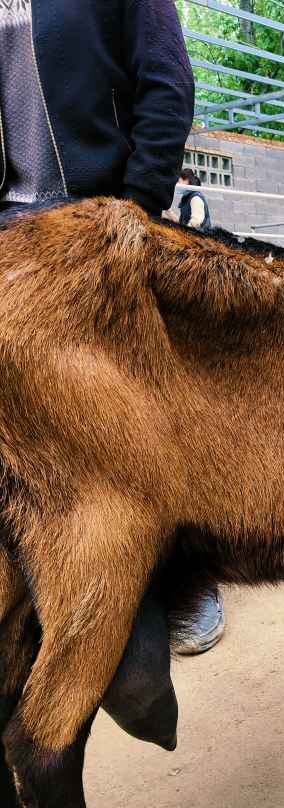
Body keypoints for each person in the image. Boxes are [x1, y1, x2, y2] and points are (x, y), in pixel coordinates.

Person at [0, 0, 224, 655]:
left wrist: (131, 216)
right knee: (40, 441)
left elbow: (167, 83)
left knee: (146, 422)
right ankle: (56, 595)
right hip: (13, 245)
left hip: (97, 230)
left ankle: (189, 579)